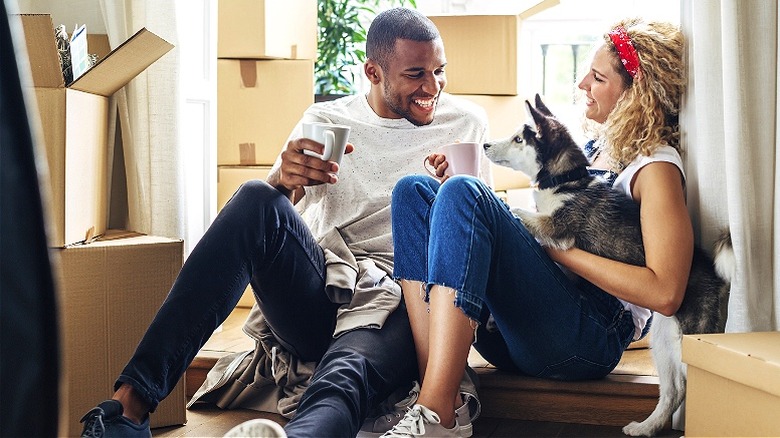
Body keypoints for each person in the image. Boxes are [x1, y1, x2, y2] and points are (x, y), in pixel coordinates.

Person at [79, 7, 490, 438]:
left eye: (439, 71)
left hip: (404, 297)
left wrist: (454, 188)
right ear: (373, 71)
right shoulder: (329, 122)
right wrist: (282, 180)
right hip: (324, 287)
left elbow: (473, 234)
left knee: (344, 373)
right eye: (415, 74)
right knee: (257, 195)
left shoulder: (464, 123)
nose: (432, 87)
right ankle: (128, 408)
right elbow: (281, 206)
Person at [385, 18, 687, 437]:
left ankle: (435, 411)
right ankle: (441, 400)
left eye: (598, 77)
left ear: (638, 96)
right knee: (413, 192)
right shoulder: (601, 150)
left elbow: (665, 293)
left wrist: (552, 245)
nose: (582, 83)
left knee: (465, 193)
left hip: (585, 337)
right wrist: (454, 211)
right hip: (517, 332)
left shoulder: (655, 167)